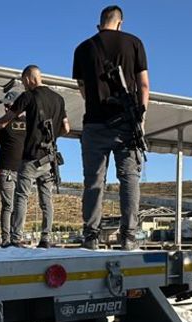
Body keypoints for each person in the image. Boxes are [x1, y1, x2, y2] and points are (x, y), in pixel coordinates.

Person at [72, 5, 150, 250]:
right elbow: (144, 86)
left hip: (94, 123)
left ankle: (91, 237)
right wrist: (141, 118)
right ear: (120, 22)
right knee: (129, 180)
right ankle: (128, 237)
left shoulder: (83, 48)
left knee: (94, 182)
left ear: (100, 24)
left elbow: (83, 88)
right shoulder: (134, 43)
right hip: (126, 124)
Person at [0, 65, 69, 248]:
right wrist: (52, 138)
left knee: (21, 197)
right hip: (50, 157)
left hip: (31, 157)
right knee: (46, 199)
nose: (23, 86)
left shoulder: (28, 96)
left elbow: (4, 121)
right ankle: (46, 238)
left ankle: (15, 238)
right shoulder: (59, 99)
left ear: (29, 79)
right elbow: (66, 128)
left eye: (24, 82)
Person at [0, 84, 27, 246]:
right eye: (4, 105)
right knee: (8, 205)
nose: (5, 107)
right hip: (6, 171)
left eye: (8, 104)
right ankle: (6, 240)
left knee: (20, 205)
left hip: (25, 172)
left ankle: (16, 238)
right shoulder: (1, 124)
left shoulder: (29, 123)